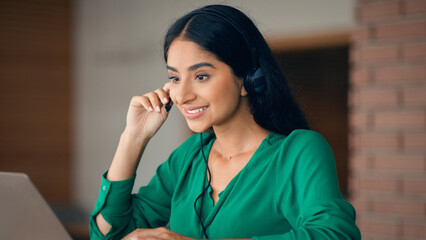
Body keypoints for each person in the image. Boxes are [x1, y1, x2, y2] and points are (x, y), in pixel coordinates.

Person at [89, 4, 360, 240]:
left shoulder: (298, 151)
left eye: (201, 76)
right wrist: (133, 138)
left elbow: (335, 234)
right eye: (175, 78)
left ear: (249, 79)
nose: (182, 95)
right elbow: (108, 234)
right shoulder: (189, 157)